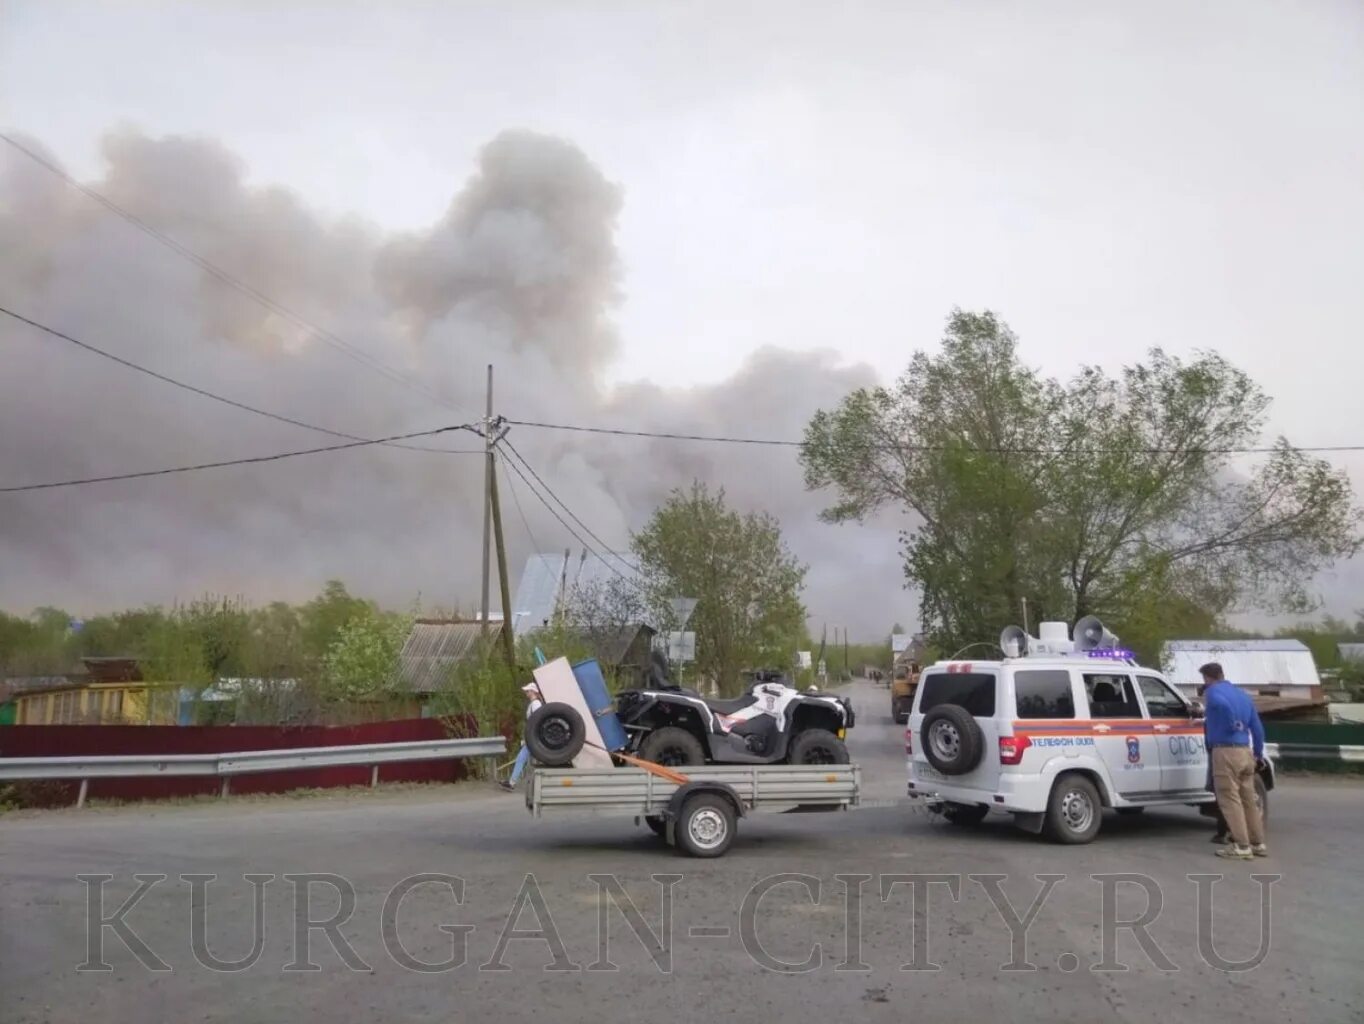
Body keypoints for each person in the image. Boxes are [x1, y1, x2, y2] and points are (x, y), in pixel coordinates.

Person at [1199, 662, 1268, 860]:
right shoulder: (1242, 695)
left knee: (1229, 799)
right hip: (1245, 751)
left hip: (1225, 750)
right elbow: (1257, 727)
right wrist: (1258, 753)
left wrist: (1231, 724)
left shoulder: (1213, 692)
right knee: (1248, 800)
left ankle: (1241, 845)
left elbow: (1221, 704)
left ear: (1207, 678)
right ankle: (1258, 843)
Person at [1197, 680, 1230, 844]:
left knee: (1224, 794)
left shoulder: (1216, 699)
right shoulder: (1237, 696)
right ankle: (1253, 839)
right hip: (1238, 748)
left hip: (1222, 750)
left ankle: (1224, 833)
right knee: (1233, 795)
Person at [500, 682, 543, 791]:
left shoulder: (536, 704)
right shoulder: (534, 704)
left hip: (533, 737)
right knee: (522, 758)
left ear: (533, 691)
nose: (526, 693)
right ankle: (512, 782)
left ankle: (512, 782)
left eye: (528, 691)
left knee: (522, 758)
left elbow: (537, 721)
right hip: (532, 737)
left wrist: (530, 737)